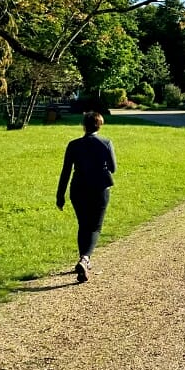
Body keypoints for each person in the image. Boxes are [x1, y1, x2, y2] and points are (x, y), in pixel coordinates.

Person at [56, 111, 117, 283]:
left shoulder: (73, 145)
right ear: (100, 125)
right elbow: (113, 168)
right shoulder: (106, 143)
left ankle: (83, 258)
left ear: (84, 126)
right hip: (99, 188)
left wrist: (60, 195)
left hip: (78, 188)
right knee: (95, 227)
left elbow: (65, 171)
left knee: (83, 225)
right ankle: (85, 259)